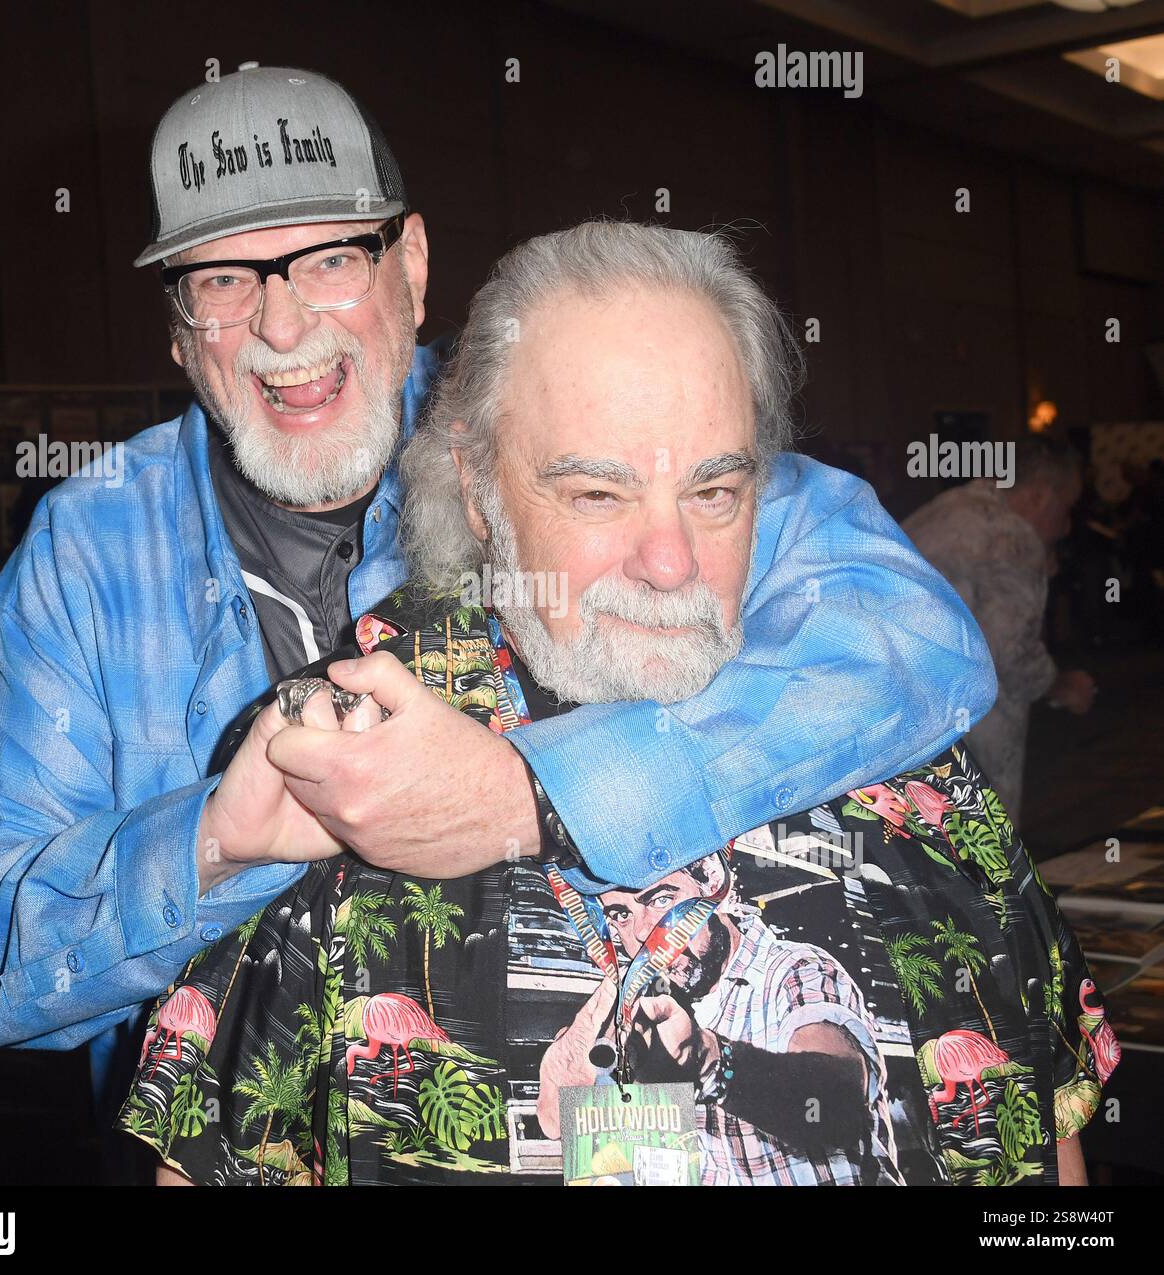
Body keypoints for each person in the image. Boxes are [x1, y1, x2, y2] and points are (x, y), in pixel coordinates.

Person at [0, 66, 995, 1122]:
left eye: (332, 257)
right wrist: (212, 846)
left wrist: (533, 796)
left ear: (413, 266)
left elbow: (912, 640)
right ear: (183, 331)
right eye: (225, 280)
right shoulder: (90, 547)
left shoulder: (557, 421)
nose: (284, 329)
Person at [121, 222, 1112, 1187]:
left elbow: (1040, 1149)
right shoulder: (351, 780)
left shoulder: (914, 783)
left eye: (714, 492)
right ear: (477, 486)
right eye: (598, 496)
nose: (670, 561)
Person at [902, 439, 1094, 818]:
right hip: (969, 742)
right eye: (1066, 508)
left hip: (902, 729)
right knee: (986, 857)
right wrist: (1061, 685)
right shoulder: (1012, 538)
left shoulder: (941, 512)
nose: (1065, 526)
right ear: (1040, 495)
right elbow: (1009, 650)